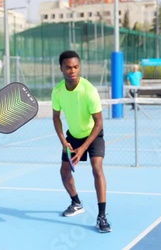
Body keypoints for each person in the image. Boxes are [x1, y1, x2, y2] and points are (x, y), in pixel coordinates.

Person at [51, 50, 111, 233]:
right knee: (64, 172)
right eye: (68, 67)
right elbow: (56, 118)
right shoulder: (58, 91)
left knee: (97, 169)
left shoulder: (89, 90)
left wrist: (83, 147)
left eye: (76, 67)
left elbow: (99, 122)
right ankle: (76, 202)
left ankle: (102, 216)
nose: (72, 71)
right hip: (73, 136)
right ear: (61, 68)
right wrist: (63, 141)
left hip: (93, 134)